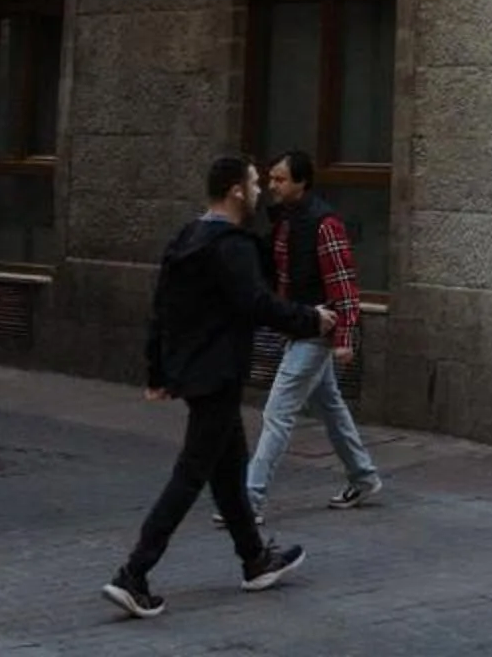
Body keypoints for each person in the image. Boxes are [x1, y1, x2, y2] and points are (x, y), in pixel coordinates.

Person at [104, 155, 328, 621]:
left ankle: (255, 559)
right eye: (253, 183)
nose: (260, 191)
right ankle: (134, 574)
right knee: (191, 474)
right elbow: (257, 303)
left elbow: (160, 310)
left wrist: (157, 372)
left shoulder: (189, 237)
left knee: (229, 471)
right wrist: (312, 319)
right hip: (219, 373)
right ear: (235, 191)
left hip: (196, 371)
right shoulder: (231, 246)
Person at [236, 151, 382, 517]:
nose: (273, 186)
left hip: (317, 329)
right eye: (270, 179)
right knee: (330, 406)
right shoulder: (285, 221)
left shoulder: (323, 223)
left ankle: (249, 500)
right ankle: (363, 476)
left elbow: (344, 283)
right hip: (298, 324)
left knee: (277, 412)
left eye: (280, 179)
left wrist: (345, 336)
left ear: (301, 183)